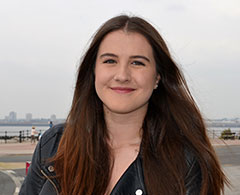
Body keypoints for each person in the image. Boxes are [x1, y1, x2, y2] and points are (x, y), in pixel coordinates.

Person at [20, 15, 228, 195]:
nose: (122, 75)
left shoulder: (186, 161)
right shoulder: (55, 144)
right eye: (110, 61)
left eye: (137, 62)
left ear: (157, 78)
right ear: (93, 71)